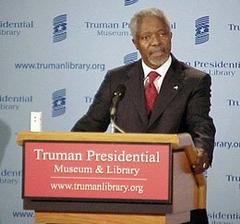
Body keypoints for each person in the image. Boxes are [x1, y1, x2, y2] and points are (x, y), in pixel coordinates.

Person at [72, 8, 215, 224]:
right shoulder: (116, 79)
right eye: (147, 37)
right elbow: (90, 125)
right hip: (126, 193)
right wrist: (65, 151)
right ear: (135, 43)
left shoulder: (194, 80)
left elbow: (200, 125)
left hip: (175, 193)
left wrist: (201, 151)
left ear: (171, 36)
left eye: (162, 34)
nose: (156, 42)